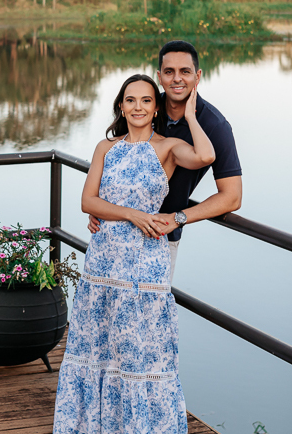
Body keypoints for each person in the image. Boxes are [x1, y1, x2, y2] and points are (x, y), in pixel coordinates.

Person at [52, 72, 214, 434]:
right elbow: (88, 201)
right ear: (120, 107)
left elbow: (206, 156)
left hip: (145, 262)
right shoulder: (105, 148)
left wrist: (191, 114)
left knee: (141, 345)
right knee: (99, 340)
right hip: (104, 258)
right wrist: (129, 214)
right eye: (130, 100)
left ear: (155, 107)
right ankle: (96, 425)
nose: (138, 107)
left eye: (145, 100)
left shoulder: (169, 147)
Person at [89, 40, 243, 280]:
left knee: (148, 313)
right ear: (159, 76)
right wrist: (108, 207)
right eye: (169, 72)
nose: (177, 79)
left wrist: (178, 218)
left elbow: (231, 197)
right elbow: (117, 159)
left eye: (185, 72)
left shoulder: (215, 126)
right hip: (112, 233)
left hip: (160, 236)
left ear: (198, 76)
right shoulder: (145, 105)